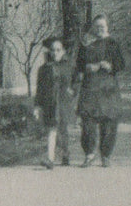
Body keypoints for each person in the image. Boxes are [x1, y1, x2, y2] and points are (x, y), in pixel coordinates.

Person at [73, 14, 125, 167]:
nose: (99, 29)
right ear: (93, 27)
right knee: (87, 121)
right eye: (97, 26)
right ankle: (89, 154)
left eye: (102, 26)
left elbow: (121, 64)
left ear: (107, 27)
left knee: (109, 122)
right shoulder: (86, 43)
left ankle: (106, 155)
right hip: (90, 87)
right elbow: (79, 64)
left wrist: (111, 66)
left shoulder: (113, 43)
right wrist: (87, 67)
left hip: (108, 89)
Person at [33, 37, 74, 169]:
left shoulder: (69, 66)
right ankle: (50, 159)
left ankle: (65, 154)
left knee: (62, 129)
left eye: (58, 50)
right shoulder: (44, 69)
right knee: (52, 129)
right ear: (49, 51)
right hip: (50, 103)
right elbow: (40, 89)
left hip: (64, 102)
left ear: (63, 51)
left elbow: (76, 81)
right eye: (53, 50)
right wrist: (37, 106)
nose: (55, 52)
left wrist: (72, 91)